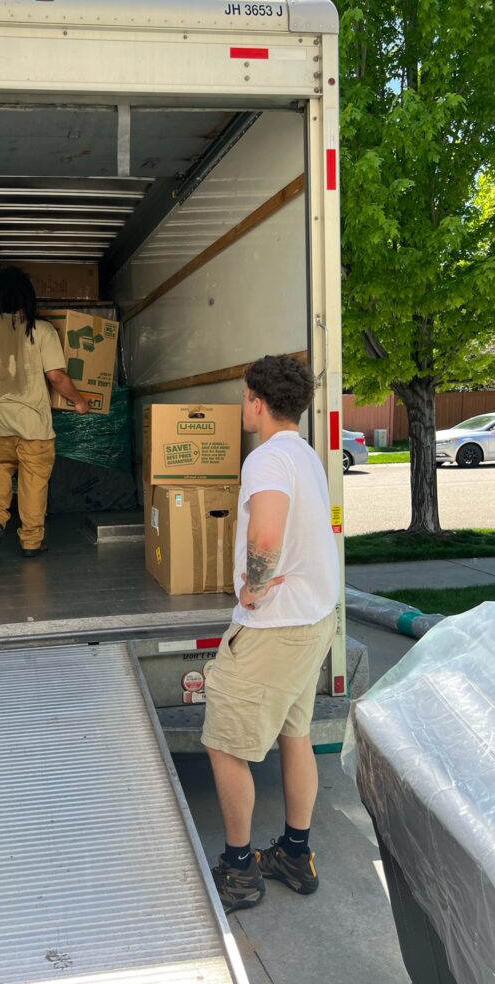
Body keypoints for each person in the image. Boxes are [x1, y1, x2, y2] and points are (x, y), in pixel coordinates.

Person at [201, 354, 340, 911]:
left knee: (224, 744)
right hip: (312, 622)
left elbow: (266, 534)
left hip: (275, 627)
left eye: (242, 396)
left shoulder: (265, 459)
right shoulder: (305, 455)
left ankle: (239, 870)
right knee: (294, 733)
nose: (242, 404)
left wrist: (251, 588)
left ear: (257, 400)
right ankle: (294, 853)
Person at [0, 267, 90, 557]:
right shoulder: (42, 330)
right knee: (33, 481)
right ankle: (31, 541)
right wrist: (79, 401)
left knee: (1, 469)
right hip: (33, 424)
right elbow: (56, 377)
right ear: (27, 294)